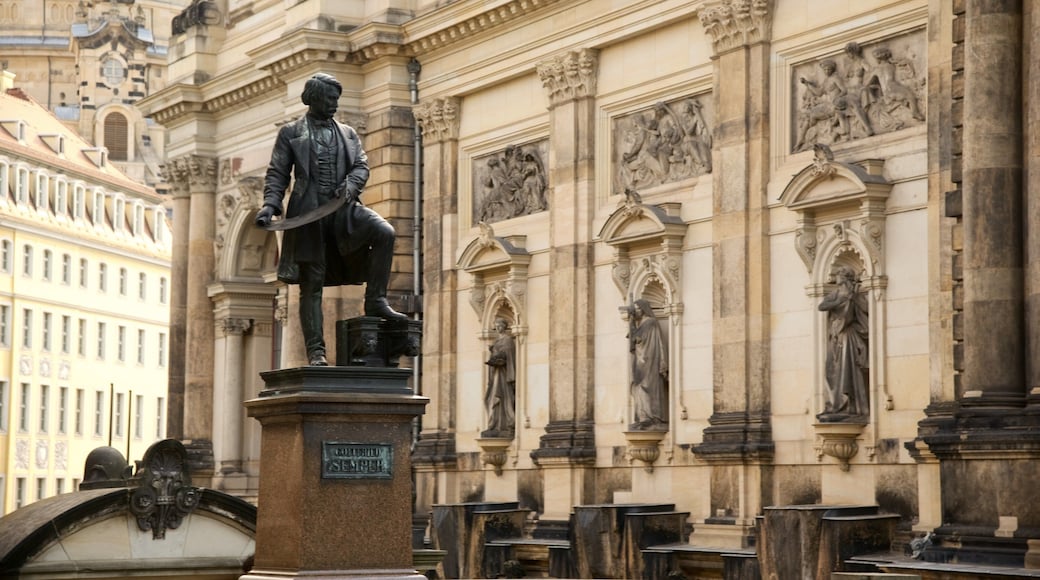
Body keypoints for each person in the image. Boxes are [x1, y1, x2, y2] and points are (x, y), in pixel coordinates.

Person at [255, 73, 407, 367]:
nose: (335, 105)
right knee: (312, 282)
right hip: (308, 214)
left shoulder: (348, 133)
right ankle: (316, 351)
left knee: (384, 232)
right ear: (313, 99)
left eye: (337, 99)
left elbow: (362, 165)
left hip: (343, 209)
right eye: (329, 99)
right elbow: (278, 173)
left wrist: (351, 185)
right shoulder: (291, 132)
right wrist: (270, 205)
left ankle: (375, 299)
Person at [817, 266, 870, 419]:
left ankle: (850, 406)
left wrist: (853, 298)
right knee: (831, 370)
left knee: (846, 370)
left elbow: (866, 308)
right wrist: (840, 300)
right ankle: (835, 404)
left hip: (848, 335)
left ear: (845, 277)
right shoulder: (836, 294)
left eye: (840, 274)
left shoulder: (855, 293)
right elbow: (822, 306)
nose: (837, 275)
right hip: (836, 335)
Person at [628, 299, 668, 430]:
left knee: (646, 386)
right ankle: (642, 416)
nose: (636, 311)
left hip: (649, 360)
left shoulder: (650, 322)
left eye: (637, 308)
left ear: (643, 309)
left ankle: (651, 417)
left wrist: (632, 322)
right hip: (641, 359)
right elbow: (634, 341)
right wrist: (632, 322)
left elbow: (638, 339)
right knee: (637, 385)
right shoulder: (642, 324)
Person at [483, 318, 517, 436]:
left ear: (504, 326)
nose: (497, 327)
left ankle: (505, 425)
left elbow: (509, 356)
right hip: (496, 373)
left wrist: (499, 358)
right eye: (496, 325)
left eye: (500, 325)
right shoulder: (497, 340)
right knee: (490, 398)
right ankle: (494, 424)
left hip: (503, 373)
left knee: (503, 397)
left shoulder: (508, 340)